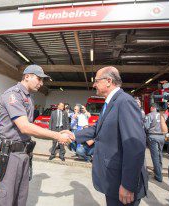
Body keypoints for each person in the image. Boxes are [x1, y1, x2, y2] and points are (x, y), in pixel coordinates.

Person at [63, 66, 148, 205]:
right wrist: (73, 135)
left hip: (123, 182)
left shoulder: (124, 101)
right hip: (113, 179)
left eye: (96, 81)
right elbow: (97, 128)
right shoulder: (110, 102)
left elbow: (135, 146)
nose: (94, 84)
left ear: (108, 81)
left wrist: (128, 185)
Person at [0, 65, 72, 206]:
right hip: (10, 154)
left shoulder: (28, 97)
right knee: (5, 198)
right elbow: (25, 127)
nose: (41, 83)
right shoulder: (13, 95)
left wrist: (58, 133)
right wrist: (57, 136)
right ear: (27, 76)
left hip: (23, 153)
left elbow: (31, 129)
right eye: (39, 79)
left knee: (20, 197)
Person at [144, 103, 166, 182]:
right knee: (160, 154)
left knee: (155, 156)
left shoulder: (149, 115)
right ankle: (159, 170)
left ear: (153, 108)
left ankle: (158, 176)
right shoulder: (164, 115)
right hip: (162, 136)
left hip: (153, 136)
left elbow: (146, 126)